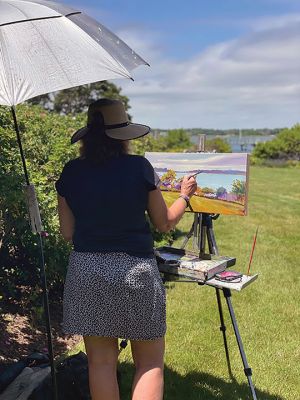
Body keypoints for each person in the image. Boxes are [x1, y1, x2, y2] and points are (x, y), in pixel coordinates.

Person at [55, 98, 197, 400]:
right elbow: (164, 223)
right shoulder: (139, 168)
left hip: (86, 272)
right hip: (135, 272)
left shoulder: (71, 172)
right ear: (124, 136)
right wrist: (183, 197)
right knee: (149, 363)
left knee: (101, 362)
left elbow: (67, 232)